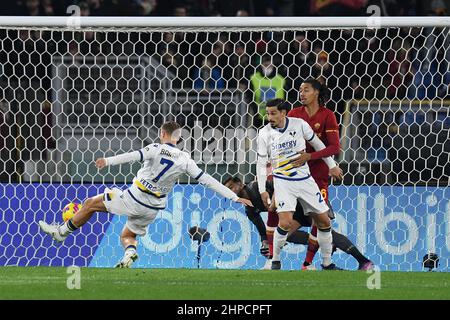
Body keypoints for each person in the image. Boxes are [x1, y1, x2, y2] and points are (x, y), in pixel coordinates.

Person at [39, 121, 253, 268]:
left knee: (89, 204)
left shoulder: (154, 148)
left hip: (134, 198)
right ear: (178, 139)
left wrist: (107, 161)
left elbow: (132, 155)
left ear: (162, 134)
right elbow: (208, 180)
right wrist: (234, 197)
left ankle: (62, 232)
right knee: (127, 235)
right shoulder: (185, 160)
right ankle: (130, 253)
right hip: (153, 208)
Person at [288, 78, 374, 271]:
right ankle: (326, 248)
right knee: (285, 230)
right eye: (300, 90)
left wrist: (311, 156)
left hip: (318, 180)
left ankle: (316, 263)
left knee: (322, 223)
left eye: (306, 90)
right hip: (294, 179)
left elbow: (335, 147)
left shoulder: (327, 115)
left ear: (317, 93)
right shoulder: (294, 115)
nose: (301, 93)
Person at [256, 98, 343, 270]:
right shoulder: (264, 133)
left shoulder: (299, 125)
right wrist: (262, 190)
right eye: (267, 114)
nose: (269, 117)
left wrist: (332, 166)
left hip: (305, 180)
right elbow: (260, 163)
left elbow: (318, 145)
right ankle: (275, 260)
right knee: (286, 222)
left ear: (283, 113)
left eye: (273, 113)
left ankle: (327, 263)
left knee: (324, 221)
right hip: (283, 181)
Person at [224, 176, 373, 270]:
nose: (230, 190)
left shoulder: (256, 187)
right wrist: (265, 243)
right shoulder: (249, 208)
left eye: (231, 187)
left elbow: (278, 184)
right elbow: (262, 230)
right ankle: (323, 246)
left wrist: (276, 200)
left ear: (240, 183)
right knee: (281, 236)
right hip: (295, 212)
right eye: (226, 189)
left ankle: (364, 262)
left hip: (304, 202)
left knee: (326, 232)